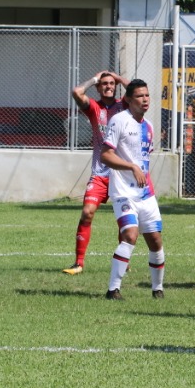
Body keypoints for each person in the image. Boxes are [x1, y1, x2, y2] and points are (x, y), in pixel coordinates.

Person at [98, 79, 166, 301]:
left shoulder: (149, 126)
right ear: (128, 99)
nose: (145, 99)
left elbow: (143, 161)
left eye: (147, 95)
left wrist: (147, 183)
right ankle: (112, 289)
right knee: (130, 235)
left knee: (155, 240)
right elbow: (106, 155)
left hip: (145, 194)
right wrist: (131, 167)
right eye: (139, 96)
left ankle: (158, 289)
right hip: (123, 193)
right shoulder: (119, 121)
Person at [61, 69, 128, 275]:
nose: (108, 86)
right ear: (99, 88)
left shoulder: (124, 106)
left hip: (121, 175)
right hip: (99, 174)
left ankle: (124, 262)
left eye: (111, 84)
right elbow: (76, 92)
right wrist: (94, 79)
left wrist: (118, 78)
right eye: (104, 84)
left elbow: (137, 89)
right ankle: (79, 263)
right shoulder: (94, 108)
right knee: (87, 212)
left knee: (125, 220)